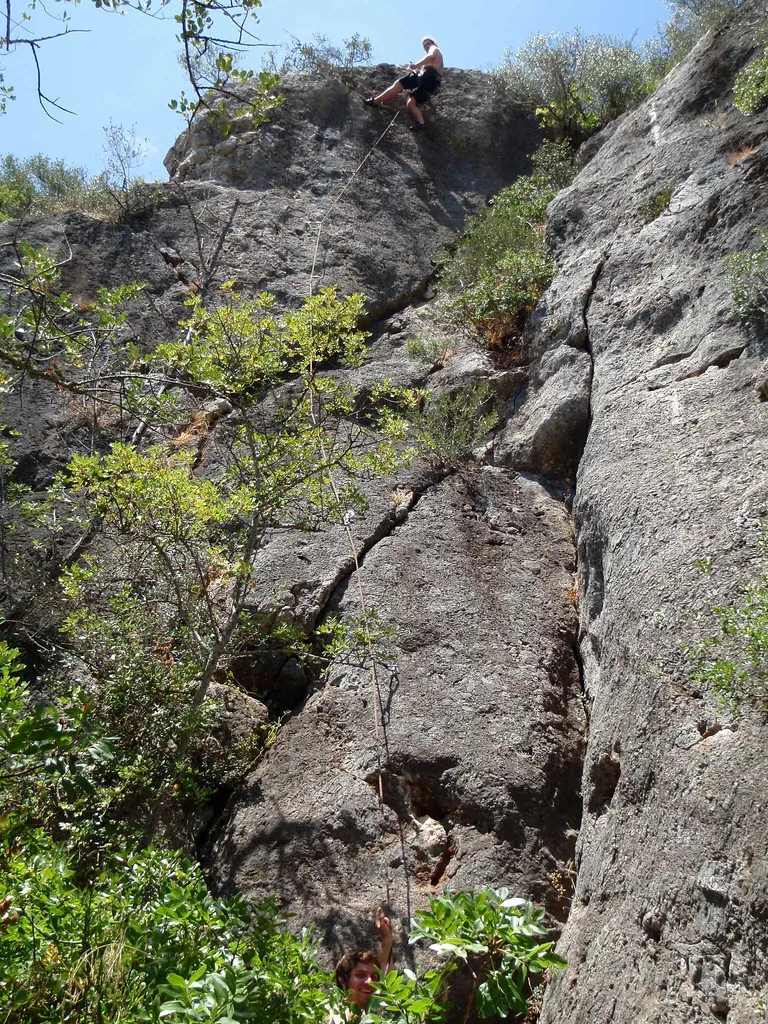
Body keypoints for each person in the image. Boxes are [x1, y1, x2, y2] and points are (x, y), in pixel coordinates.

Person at [364, 37, 444, 131]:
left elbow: (430, 56)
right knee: (411, 103)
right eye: (424, 46)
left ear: (433, 43)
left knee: (399, 84)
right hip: (432, 84)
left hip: (428, 77)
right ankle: (421, 124)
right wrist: (417, 69)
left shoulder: (434, 49)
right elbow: (428, 66)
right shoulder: (436, 61)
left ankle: (375, 101)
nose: (426, 47)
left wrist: (416, 65)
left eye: (428, 44)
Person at [333, 907, 394, 1015]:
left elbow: (385, 976)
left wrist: (387, 939)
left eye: (374, 977)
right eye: (360, 975)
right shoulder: (335, 1018)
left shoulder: (372, 1014)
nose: (370, 982)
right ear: (343, 980)